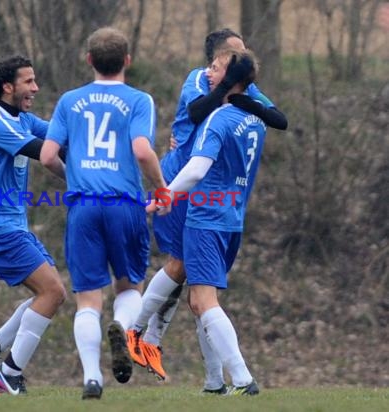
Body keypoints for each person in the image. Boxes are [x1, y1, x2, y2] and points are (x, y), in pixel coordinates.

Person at [126, 28, 287, 390]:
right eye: (223, 61)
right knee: (196, 289)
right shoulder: (209, 90)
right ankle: (208, 377)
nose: (214, 71)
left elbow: (201, 163)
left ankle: (143, 335)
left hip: (200, 199)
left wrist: (162, 196)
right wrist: (232, 97)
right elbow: (202, 110)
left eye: (224, 67)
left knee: (200, 294)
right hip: (212, 203)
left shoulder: (229, 114)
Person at [40, 27, 167, 400]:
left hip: (83, 206)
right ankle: (122, 325)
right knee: (129, 286)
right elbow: (142, 151)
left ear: (89, 60)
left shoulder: (69, 101)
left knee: (87, 299)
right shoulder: (139, 100)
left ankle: (92, 378)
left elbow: (48, 156)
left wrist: (75, 176)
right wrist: (160, 187)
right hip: (125, 205)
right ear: (127, 61)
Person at [152, 47, 265, 395]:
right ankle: (215, 385)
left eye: (215, 70)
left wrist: (166, 193)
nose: (208, 75)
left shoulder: (220, 118)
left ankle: (244, 380)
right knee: (200, 300)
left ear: (230, 79)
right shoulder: (255, 119)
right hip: (232, 218)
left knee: (204, 301)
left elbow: (198, 168)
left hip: (206, 218)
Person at [0, 55, 67, 396]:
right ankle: (9, 373)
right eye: (28, 82)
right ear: (7, 87)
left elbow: (57, 135)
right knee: (52, 292)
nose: (35, 88)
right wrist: (88, 174)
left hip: (12, 225)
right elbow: (46, 151)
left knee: (48, 292)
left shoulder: (21, 117)